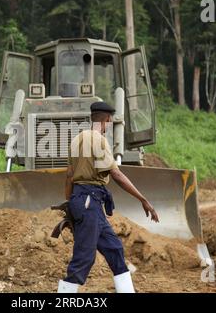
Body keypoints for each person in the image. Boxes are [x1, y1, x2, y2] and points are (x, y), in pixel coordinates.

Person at [57, 101, 159, 293]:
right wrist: (143, 199)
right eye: (110, 122)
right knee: (84, 257)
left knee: (114, 249)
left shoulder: (76, 140)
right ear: (107, 120)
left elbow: (69, 176)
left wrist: (71, 205)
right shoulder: (99, 141)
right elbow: (117, 175)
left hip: (86, 201)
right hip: (90, 200)